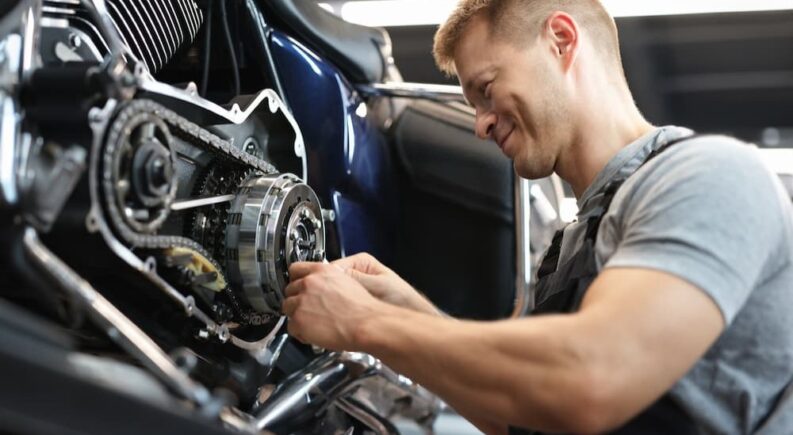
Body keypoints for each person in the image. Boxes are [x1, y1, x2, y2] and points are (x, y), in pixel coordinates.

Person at [281, 0, 793, 433]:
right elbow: (526, 414)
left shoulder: (708, 175)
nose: (480, 125)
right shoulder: (569, 248)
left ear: (562, 40)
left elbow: (594, 375)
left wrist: (367, 321)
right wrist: (409, 312)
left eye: (486, 89)